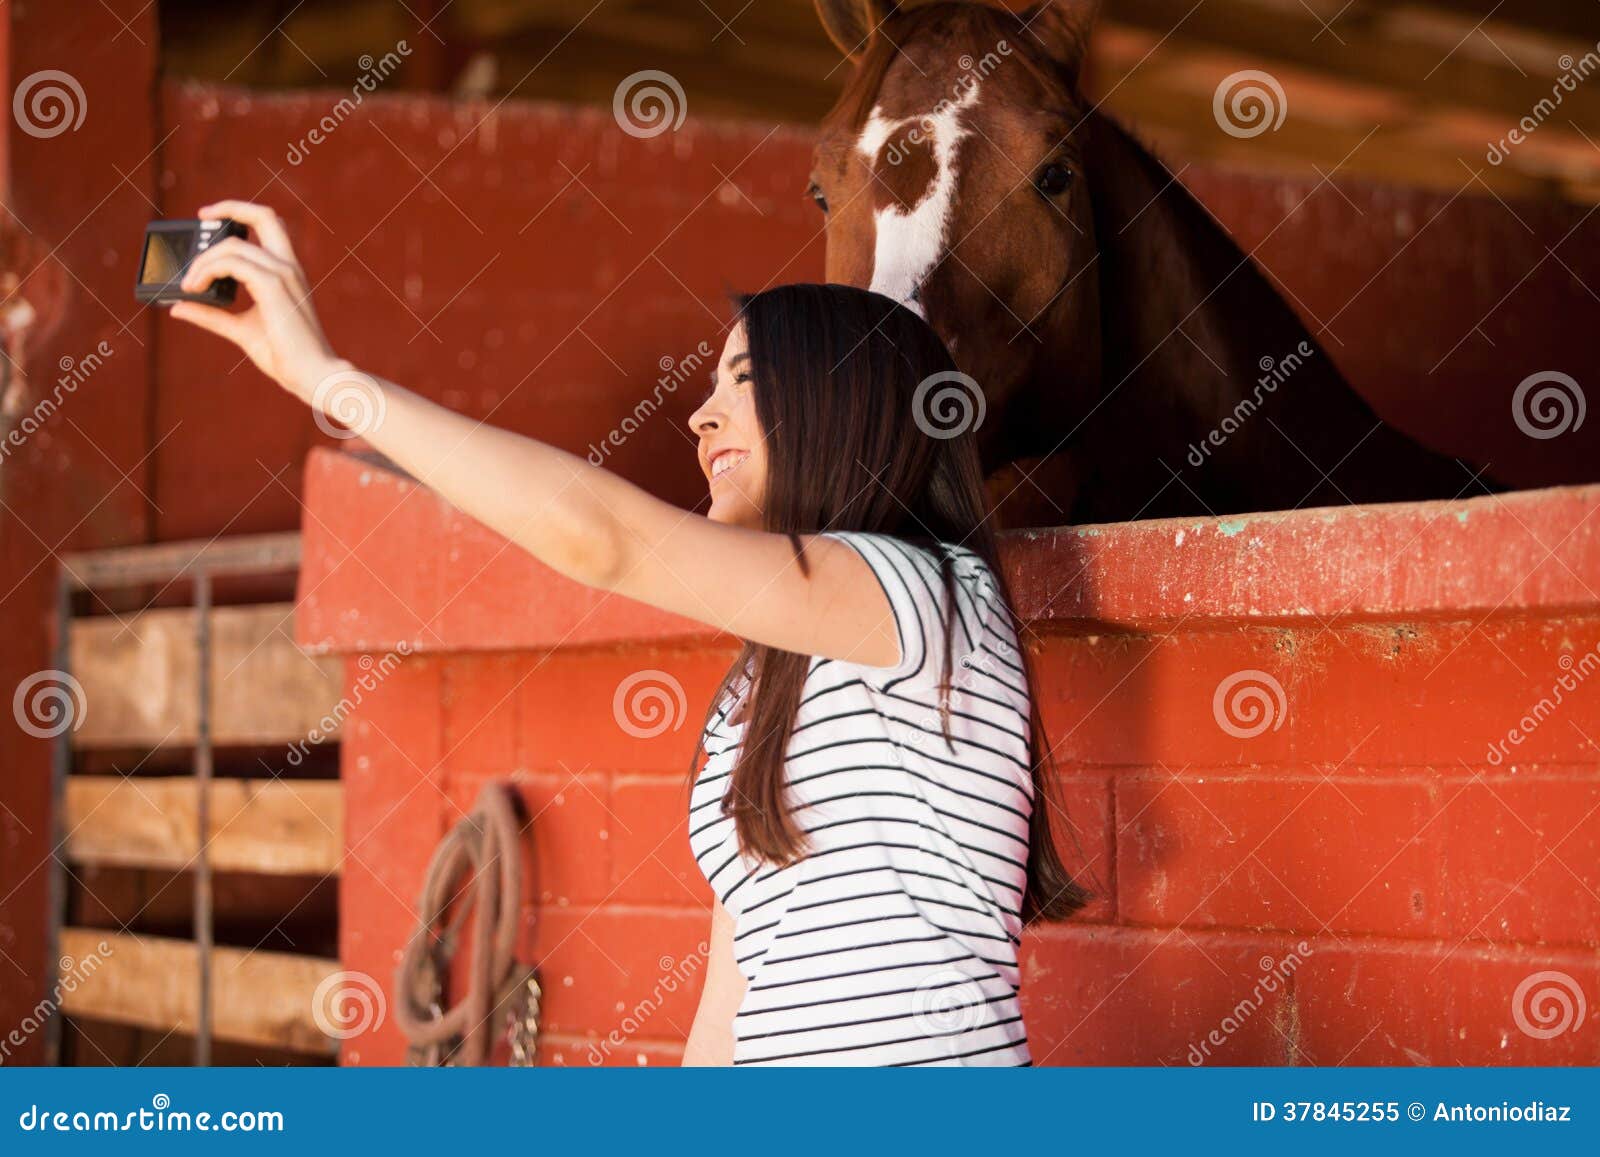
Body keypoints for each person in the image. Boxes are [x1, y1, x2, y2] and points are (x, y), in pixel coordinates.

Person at [172, 200, 1091, 1067]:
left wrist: (331, 381)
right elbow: (731, 1001)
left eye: (746, 380)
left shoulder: (924, 590)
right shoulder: (764, 683)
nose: (701, 417)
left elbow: (602, 540)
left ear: (843, 406)